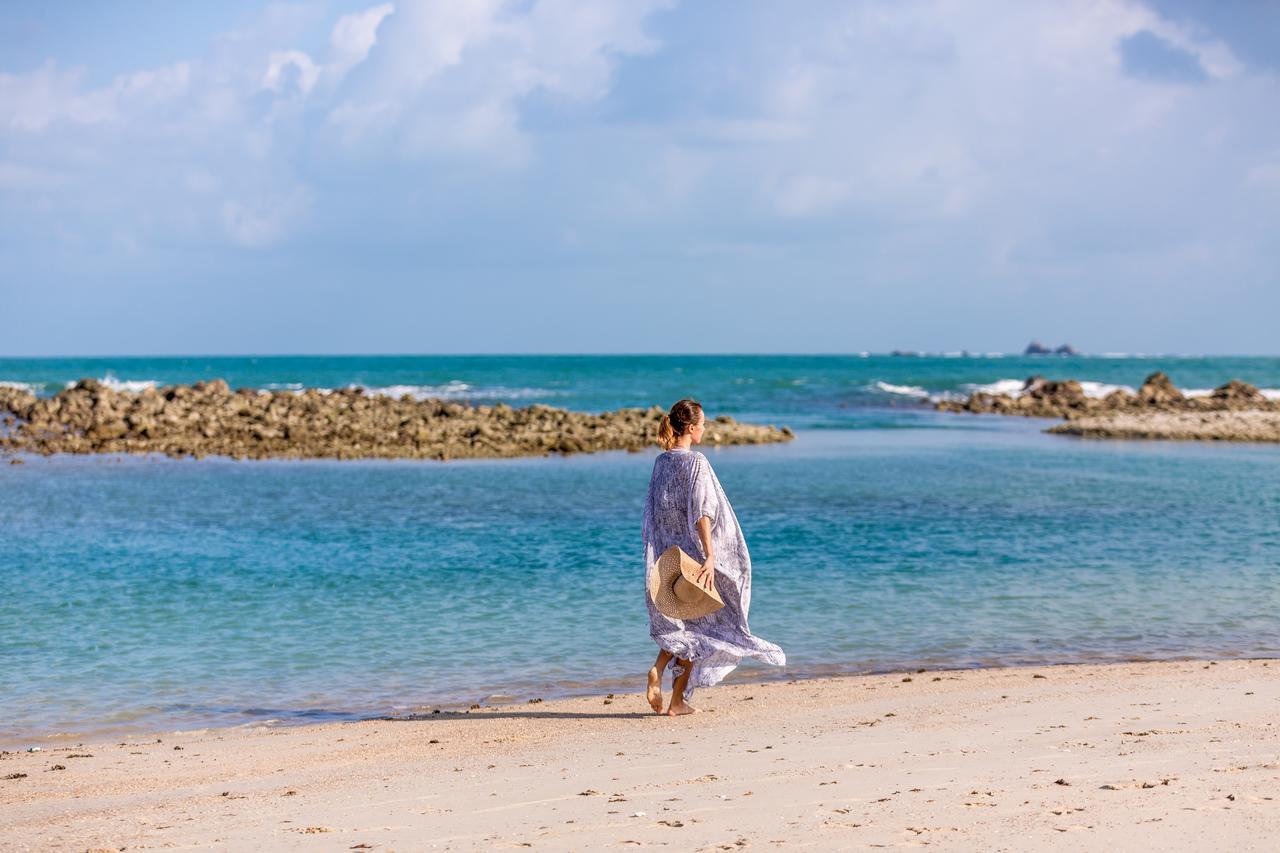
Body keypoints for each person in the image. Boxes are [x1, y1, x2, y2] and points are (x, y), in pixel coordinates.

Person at [642, 398, 786, 716]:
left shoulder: (661, 463)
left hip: (670, 559)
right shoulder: (697, 463)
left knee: (682, 625)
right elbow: (703, 513)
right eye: (703, 424)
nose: (705, 429)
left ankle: (659, 668)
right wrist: (710, 555)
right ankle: (676, 702)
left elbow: (653, 513)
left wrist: (658, 555)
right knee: (701, 630)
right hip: (693, 559)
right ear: (691, 429)